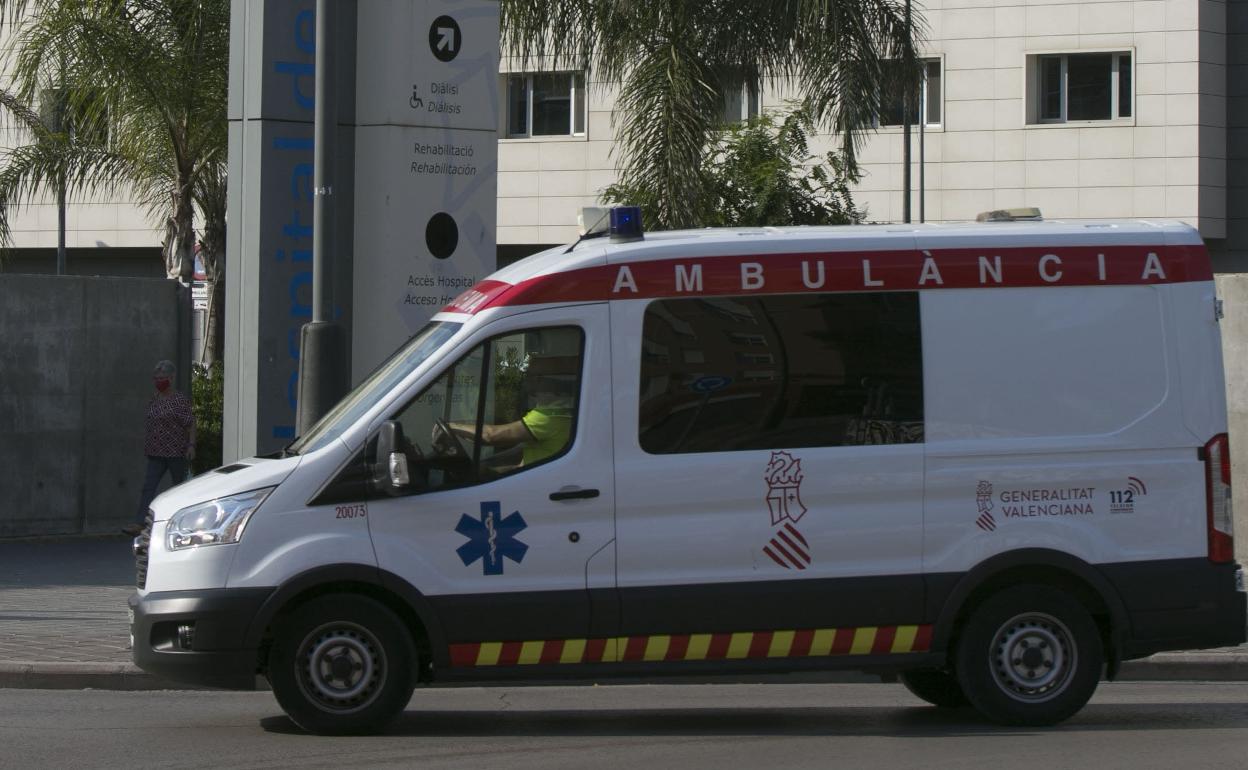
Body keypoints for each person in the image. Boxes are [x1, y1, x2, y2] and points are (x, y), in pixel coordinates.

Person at [440, 353, 578, 470]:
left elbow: (491, 436)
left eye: (535, 377)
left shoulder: (550, 417)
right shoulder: (560, 411)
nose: (528, 382)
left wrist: (452, 427)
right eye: (528, 376)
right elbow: (520, 453)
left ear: (553, 382)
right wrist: (485, 467)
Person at [124, 360, 195, 536]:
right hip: (156, 452)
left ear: (171, 378)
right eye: (156, 378)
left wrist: (192, 445)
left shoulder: (179, 400)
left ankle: (185, 521)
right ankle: (140, 522)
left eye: (162, 378)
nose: (159, 381)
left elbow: (190, 424)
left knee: (179, 488)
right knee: (148, 487)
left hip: (176, 452)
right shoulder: (154, 399)